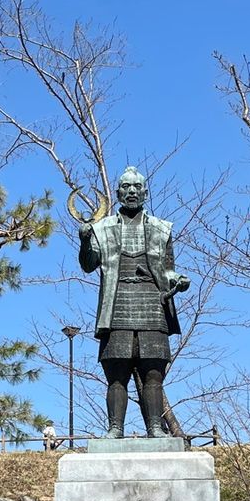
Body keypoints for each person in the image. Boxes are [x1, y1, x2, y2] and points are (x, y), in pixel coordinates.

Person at [77, 166, 190, 439]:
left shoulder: (161, 229)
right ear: (117, 193)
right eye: (126, 187)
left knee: (153, 372)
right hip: (116, 307)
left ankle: (154, 428)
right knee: (116, 374)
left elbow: (167, 269)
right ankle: (115, 428)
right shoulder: (101, 229)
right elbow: (89, 265)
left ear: (145, 193)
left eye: (136, 187)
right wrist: (84, 241)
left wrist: (178, 280)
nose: (131, 192)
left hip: (153, 305)